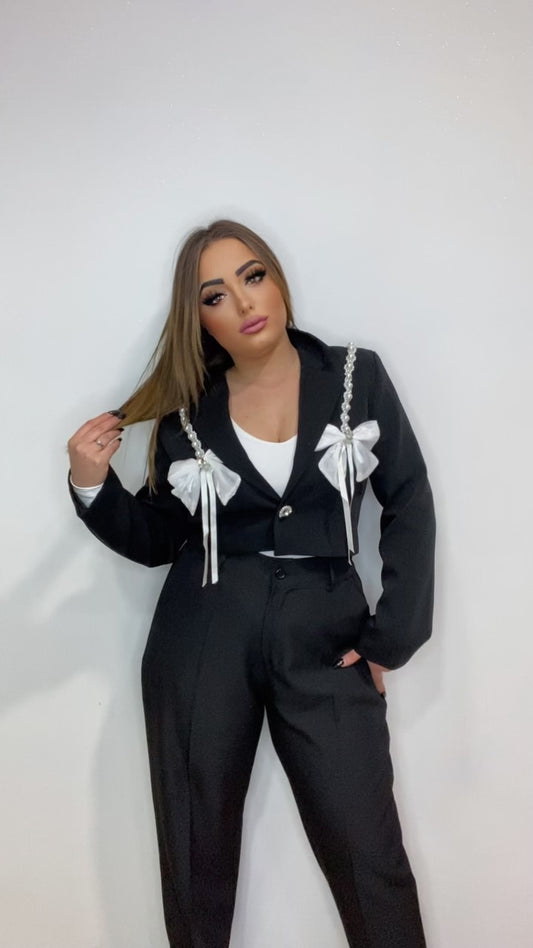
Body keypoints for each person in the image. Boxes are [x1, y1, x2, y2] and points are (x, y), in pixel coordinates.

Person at [67, 219, 436, 948]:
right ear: (198, 318)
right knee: (195, 855)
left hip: (326, 632)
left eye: (253, 275)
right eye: (214, 295)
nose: (242, 302)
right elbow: (160, 537)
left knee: (368, 855)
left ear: (276, 278)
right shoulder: (186, 410)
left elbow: (409, 500)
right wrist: (91, 485)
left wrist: (390, 638)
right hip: (202, 632)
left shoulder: (355, 376)